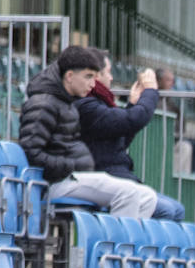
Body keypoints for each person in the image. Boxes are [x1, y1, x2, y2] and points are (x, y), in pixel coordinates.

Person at [18, 46, 158, 218]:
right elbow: (30, 153)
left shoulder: (66, 102)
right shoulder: (43, 104)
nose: (93, 84)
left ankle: (127, 244)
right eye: (88, 77)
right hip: (53, 182)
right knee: (128, 193)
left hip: (73, 177)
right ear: (69, 76)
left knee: (147, 197)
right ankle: (110, 244)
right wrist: (70, 165)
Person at [75, 54, 184, 221]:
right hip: (106, 176)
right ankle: (138, 246)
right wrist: (150, 91)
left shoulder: (101, 103)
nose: (111, 77)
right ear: (97, 76)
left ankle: (144, 247)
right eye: (109, 72)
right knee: (167, 210)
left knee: (177, 209)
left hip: (117, 175)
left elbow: (120, 141)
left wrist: (133, 104)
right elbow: (134, 119)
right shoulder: (87, 105)